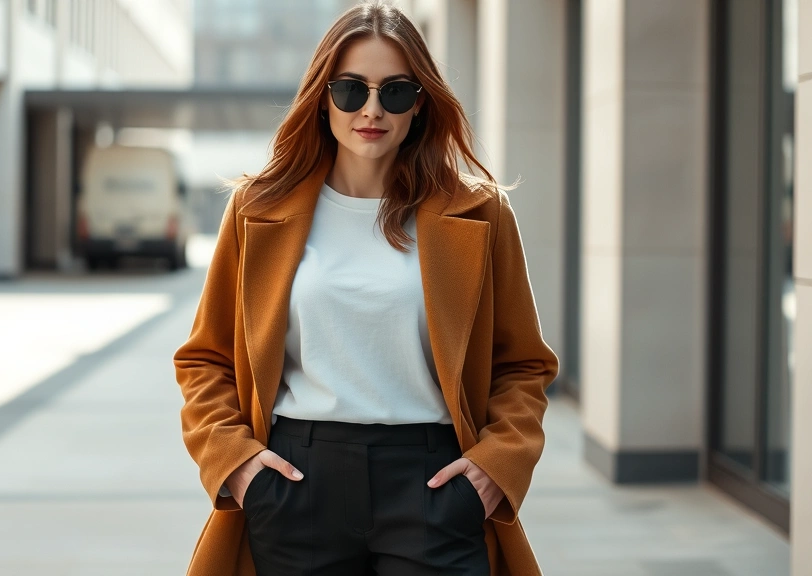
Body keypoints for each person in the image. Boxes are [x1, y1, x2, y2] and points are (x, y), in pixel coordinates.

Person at [173, 2, 558, 575]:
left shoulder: (479, 214)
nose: (372, 110)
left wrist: (494, 469)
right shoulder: (258, 210)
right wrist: (238, 466)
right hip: (296, 480)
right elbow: (205, 359)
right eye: (351, 90)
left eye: (396, 91)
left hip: (434, 481)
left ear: (420, 103)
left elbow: (523, 365)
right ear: (322, 95)